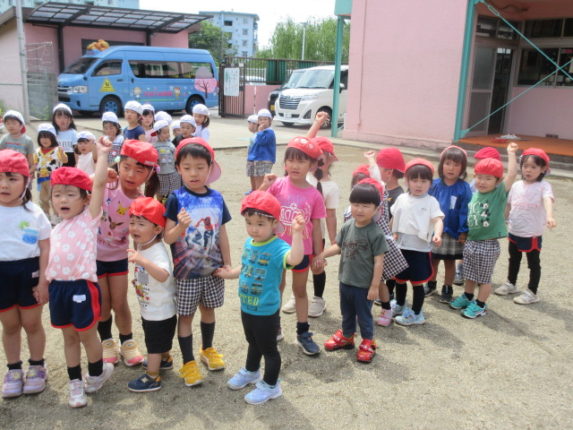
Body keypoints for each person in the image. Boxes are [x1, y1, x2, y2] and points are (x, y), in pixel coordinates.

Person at [215, 191, 304, 405]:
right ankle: (252, 371)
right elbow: (246, 266)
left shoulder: (279, 247)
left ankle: (271, 386)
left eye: (260, 224)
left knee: (269, 349)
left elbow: (295, 259)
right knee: (252, 342)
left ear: (274, 223)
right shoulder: (250, 242)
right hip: (247, 305)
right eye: (249, 223)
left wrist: (297, 234)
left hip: (266, 310)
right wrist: (230, 274)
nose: (254, 228)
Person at [46, 141, 114, 408]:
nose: (62, 200)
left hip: (82, 287)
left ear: (85, 199)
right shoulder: (53, 229)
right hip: (58, 289)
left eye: (70, 194)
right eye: (57, 194)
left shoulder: (88, 219)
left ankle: (96, 375)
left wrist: (103, 154)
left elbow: (99, 185)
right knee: (69, 337)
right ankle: (75, 383)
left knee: (87, 335)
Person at [164, 137, 231, 387]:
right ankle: (188, 362)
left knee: (209, 310)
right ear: (178, 169)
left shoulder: (217, 198)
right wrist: (180, 227)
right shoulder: (176, 198)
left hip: (213, 269)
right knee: (185, 316)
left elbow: (222, 233)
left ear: (210, 168)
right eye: (187, 167)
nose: (194, 173)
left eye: (200, 167)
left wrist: (227, 263)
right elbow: (167, 237)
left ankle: (207, 348)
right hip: (186, 273)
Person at [260, 136, 326, 355]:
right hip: (276, 249)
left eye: (301, 161)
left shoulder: (314, 194)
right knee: (276, 287)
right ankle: (274, 326)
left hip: (302, 251)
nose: (295, 165)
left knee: (299, 291)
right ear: (285, 163)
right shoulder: (277, 185)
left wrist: (318, 254)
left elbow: (316, 227)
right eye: (291, 160)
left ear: (312, 165)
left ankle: (303, 332)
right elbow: (258, 205)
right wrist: (264, 185)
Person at [97, 139, 159, 367]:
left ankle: (127, 341)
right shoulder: (107, 184)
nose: (131, 174)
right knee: (103, 303)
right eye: (126, 167)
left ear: (149, 174)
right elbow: (84, 185)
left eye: (139, 170)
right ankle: (106, 342)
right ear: (118, 164)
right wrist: (102, 174)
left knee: (120, 302)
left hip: (118, 258)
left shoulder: (141, 202)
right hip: (93, 256)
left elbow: (143, 236)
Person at [316, 181, 387, 363]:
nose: (360, 209)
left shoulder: (376, 233)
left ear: (376, 209)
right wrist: (322, 254)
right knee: (346, 312)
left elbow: (379, 262)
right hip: (345, 281)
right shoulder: (348, 226)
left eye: (365, 206)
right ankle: (347, 336)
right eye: (356, 204)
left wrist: (374, 286)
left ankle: (368, 341)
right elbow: (339, 246)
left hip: (364, 286)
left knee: (364, 316)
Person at [0, 150, 50, 399]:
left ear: (26, 181)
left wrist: (43, 281)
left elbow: (45, 247)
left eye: (11, 178)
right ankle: (13, 369)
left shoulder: (34, 213)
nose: (4, 185)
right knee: (9, 325)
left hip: (28, 271)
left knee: (31, 323)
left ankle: (37, 365)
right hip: (2, 274)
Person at [450, 143, 518, 318]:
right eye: (480, 177)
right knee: (470, 274)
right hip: (471, 242)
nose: (483, 182)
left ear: (497, 181)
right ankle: (468, 296)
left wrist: (511, 153)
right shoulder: (474, 195)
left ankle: (480, 305)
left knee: (484, 278)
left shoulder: (497, 194)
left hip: (488, 244)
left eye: (488, 178)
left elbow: (512, 174)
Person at [126, 197, 176, 392]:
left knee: (153, 344)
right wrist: (138, 280)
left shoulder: (156, 251)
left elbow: (163, 275)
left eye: (141, 224)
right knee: (158, 340)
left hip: (160, 310)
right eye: (132, 222)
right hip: (151, 307)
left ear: (157, 229)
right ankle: (165, 359)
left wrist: (142, 261)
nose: (134, 228)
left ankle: (152, 376)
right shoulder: (142, 245)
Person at [494, 148, 556, 305]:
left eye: (533, 167)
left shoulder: (544, 186)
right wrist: (502, 220)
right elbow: (509, 205)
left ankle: (532, 292)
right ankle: (511, 283)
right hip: (514, 230)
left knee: (533, 263)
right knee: (513, 259)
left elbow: (548, 200)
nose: (528, 170)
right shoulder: (516, 185)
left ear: (543, 169)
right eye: (525, 166)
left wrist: (549, 216)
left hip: (531, 233)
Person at [391, 158, 444, 326]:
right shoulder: (401, 198)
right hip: (401, 246)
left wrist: (437, 234)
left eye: (424, 181)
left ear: (430, 183)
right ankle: (399, 304)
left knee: (417, 283)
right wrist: (390, 233)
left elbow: (438, 220)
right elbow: (394, 217)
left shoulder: (431, 201)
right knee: (399, 279)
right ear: (407, 181)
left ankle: (416, 313)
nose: (419, 185)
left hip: (419, 249)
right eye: (414, 180)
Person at [426, 146, 472, 303]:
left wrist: (463, 230)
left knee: (450, 261)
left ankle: (447, 287)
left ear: (462, 168)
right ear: (441, 165)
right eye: (448, 163)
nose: (451, 168)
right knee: (433, 259)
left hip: (453, 231)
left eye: (456, 164)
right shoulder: (434, 184)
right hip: (434, 231)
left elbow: (465, 210)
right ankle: (431, 284)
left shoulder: (464, 187)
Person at [33, 124, 67, 221]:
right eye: (42, 137)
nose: (44, 139)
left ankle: (57, 216)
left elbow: (65, 160)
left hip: (54, 179)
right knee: (43, 198)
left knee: (54, 198)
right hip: (41, 179)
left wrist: (62, 153)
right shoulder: (37, 151)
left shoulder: (57, 150)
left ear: (53, 138)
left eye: (47, 137)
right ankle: (46, 215)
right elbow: (35, 164)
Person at [246, 109, 276, 192]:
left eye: (265, 119)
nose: (263, 121)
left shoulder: (269, 132)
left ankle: (259, 194)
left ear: (270, 121)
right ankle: (254, 191)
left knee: (260, 179)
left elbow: (261, 141)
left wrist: (259, 132)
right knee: (255, 176)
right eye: (260, 119)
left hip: (264, 159)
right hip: (257, 158)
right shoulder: (263, 131)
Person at [153, 120, 181, 204]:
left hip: (172, 172)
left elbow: (175, 157)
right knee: (161, 191)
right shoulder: (155, 146)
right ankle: (161, 205)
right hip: (161, 173)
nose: (167, 134)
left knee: (174, 190)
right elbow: (154, 159)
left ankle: (172, 204)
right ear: (157, 133)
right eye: (164, 133)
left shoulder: (171, 145)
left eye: (168, 132)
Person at [52, 103, 77, 168]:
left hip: (70, 163)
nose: (62, 120)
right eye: (59, 117)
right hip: (56, 163)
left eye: (65, 117)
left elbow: (76, 150)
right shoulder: (52, 133)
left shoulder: (73, 133)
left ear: (70, 119)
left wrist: (77, 163)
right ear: (54, 119)